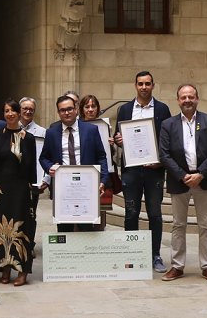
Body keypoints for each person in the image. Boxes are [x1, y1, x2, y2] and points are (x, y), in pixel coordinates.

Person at [159, 84, 207, 284]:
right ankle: (177, 266)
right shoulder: (168, 124)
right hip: (180, 181)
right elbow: (164, 154)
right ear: (178, 100)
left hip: (204, 180)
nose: (187, 100)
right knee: (178, 225)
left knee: (205, 225)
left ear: (197, 99)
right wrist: (183, 175)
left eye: (191, 96)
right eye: (183, 97)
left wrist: (200, 174)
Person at [113, 71, 172, 273]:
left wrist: (160, 162)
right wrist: (119, 140)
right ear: (135, 86)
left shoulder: (162, 109)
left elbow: (168, 139)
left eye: (147, 84)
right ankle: (132, 253)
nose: (144, 87)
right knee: (131, 212)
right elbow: (117, 135)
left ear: (153, 86)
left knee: (155, 214)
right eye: (140, 84)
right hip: (131, 168)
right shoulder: (125, 109)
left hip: (154, 170)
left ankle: (155, 254)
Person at [0, 99, 37, 286]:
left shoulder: (28, 138)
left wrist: (32, 192)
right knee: (0, 229)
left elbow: (31, 169)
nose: (10, 114)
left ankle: (22, 271)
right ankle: (4, 267)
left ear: (19, 113)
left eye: (13, 111)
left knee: (21, 229)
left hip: (20, 190)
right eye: (7, 111)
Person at [39, 95, 109, 232]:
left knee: (86, 229)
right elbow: (43, 158)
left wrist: (103, 180)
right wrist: (49, 168)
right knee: (65, 230)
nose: (67, 112)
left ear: (76, 109)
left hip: (86, 187)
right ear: (58, 113)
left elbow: (101, 156)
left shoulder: (91, 130)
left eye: (70, 109)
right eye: (62, 110)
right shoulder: (52, 133)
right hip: (63, 189)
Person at [79, 94, 110, 232]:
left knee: (99, 215)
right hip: (80, 177)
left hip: (101, 176)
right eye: (87, 106)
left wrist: (112, 146)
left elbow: (106, 156)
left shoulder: (105, 125)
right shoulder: (75, 126)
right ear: (81, 109)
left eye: (93, 106)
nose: (90, 109)